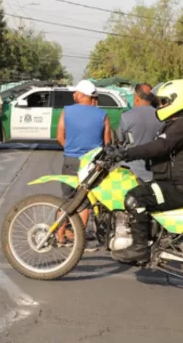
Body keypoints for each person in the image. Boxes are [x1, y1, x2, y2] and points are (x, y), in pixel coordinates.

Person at [111, 79, 183, 264]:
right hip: (177, 183)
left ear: (176, 100)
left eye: (164, 101)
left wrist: (127, 153)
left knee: (135, 197)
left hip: (180, 186)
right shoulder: (182, 122)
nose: (160, 106)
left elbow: (160, 146)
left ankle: (139, 249)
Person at [56, 80, 112, 250]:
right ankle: (78, 239)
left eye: (76, 93)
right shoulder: (103, 115)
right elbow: (107, 143)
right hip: (92, 165)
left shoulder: (66, 111)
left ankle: (60, 236)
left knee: (68, 199)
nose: (74, 96)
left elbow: (59, 137)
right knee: (85, 202)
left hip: (70, 161)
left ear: (82, 95)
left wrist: (73, 149)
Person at [116, 83, 164, 182]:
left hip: (129, 171)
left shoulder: (126, 116)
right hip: (153, 171)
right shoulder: (161, 117)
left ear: (136, 97)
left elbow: (120, 141)